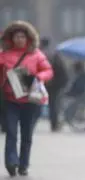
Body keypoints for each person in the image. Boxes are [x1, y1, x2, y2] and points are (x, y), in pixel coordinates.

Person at [0, 20, 53, 176]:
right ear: (11, 38)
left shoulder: (37, 55)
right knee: (11, 132)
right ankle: (11, 162)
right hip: (10, 100)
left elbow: (48, 70)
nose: (19, 39)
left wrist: (38, 76)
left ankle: (23, 164)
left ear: (28, 38)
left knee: (27, 134)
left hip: (31, 101)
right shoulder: (4, 55)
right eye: (16, 36)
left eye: (22, 36)